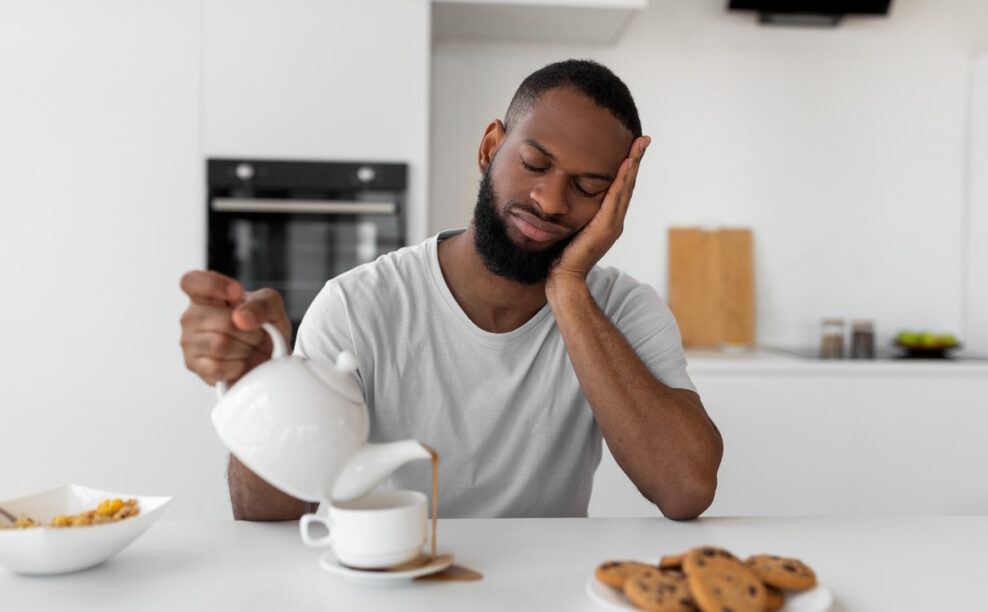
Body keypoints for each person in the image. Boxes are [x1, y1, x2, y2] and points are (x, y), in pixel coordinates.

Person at [179, 59, 723, 521]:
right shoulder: (357, 305)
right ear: (491, 147)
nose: (552, 201)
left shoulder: (624, 311)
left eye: (587, 188)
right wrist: (263, 390)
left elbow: (686, 487)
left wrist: (570, 287)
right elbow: (266, 515)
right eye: (535, 163)